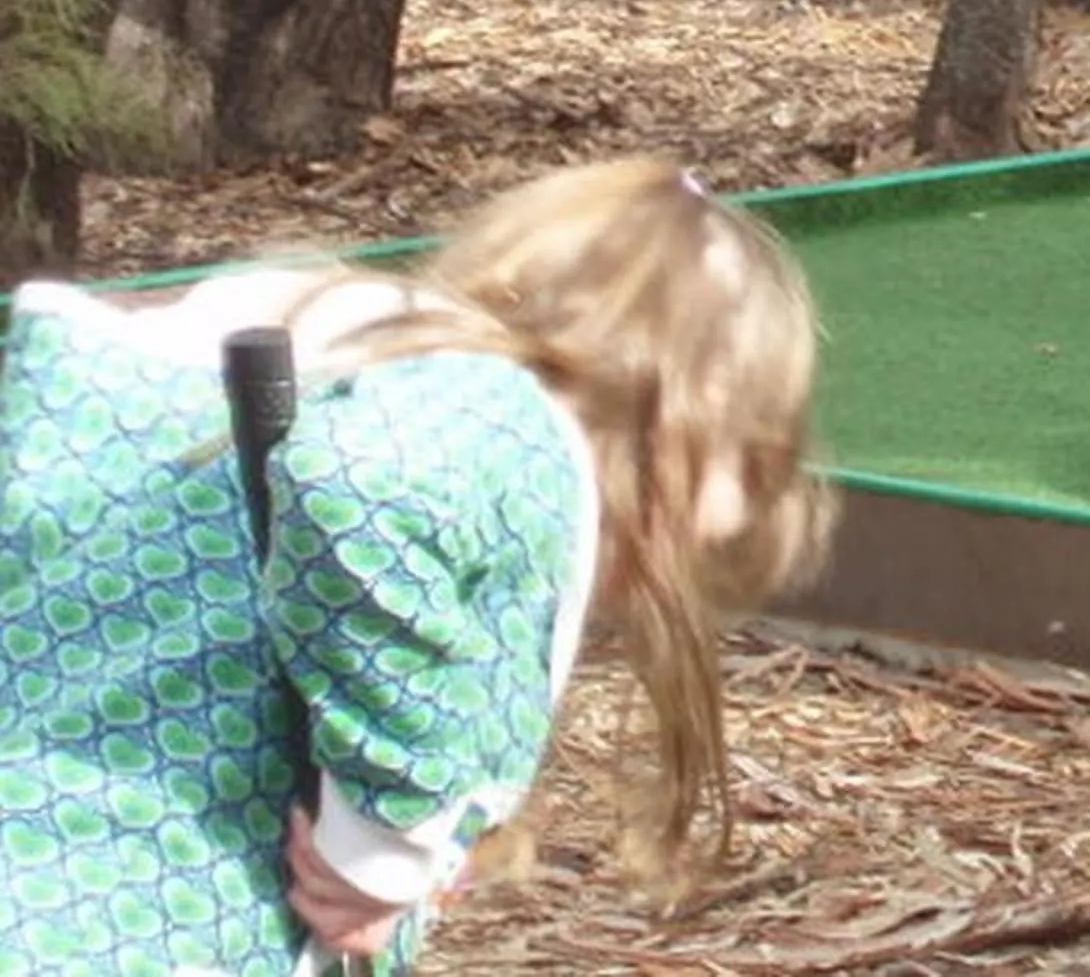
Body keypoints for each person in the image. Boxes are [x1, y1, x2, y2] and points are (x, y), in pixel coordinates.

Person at [0, 157, 833, 976]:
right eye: (747, 463)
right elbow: (359, 485)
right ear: (685, 422)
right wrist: (378, 851)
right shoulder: (504, 415)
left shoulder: (350, 389)